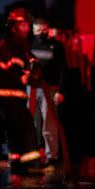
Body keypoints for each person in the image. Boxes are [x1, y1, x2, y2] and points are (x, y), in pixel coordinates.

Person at [0, 8, 41, 174]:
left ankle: (20, 163)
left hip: (15, 96)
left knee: (18, 130)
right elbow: (13, 68)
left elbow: (29, 61)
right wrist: (27, 76)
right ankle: (28, 164)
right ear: (13, 27)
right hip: (8, 96)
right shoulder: (9, 45)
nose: (27, 28)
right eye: (23, 24)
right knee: (23, 127)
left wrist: (34, 67)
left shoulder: (21, 45)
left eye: (28, 24)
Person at [29, 16, 67, 166]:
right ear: (33, 30)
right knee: (32, 123)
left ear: (47, 29)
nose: (40, 33)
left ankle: (52, 156)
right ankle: (32, 154)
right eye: (37, 30)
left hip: (49, 89)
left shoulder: (56, 47)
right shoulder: (29, 45)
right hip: (32, 89)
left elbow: (63, 70)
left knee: (49, 124)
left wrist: (60, 90)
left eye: (42, 30)